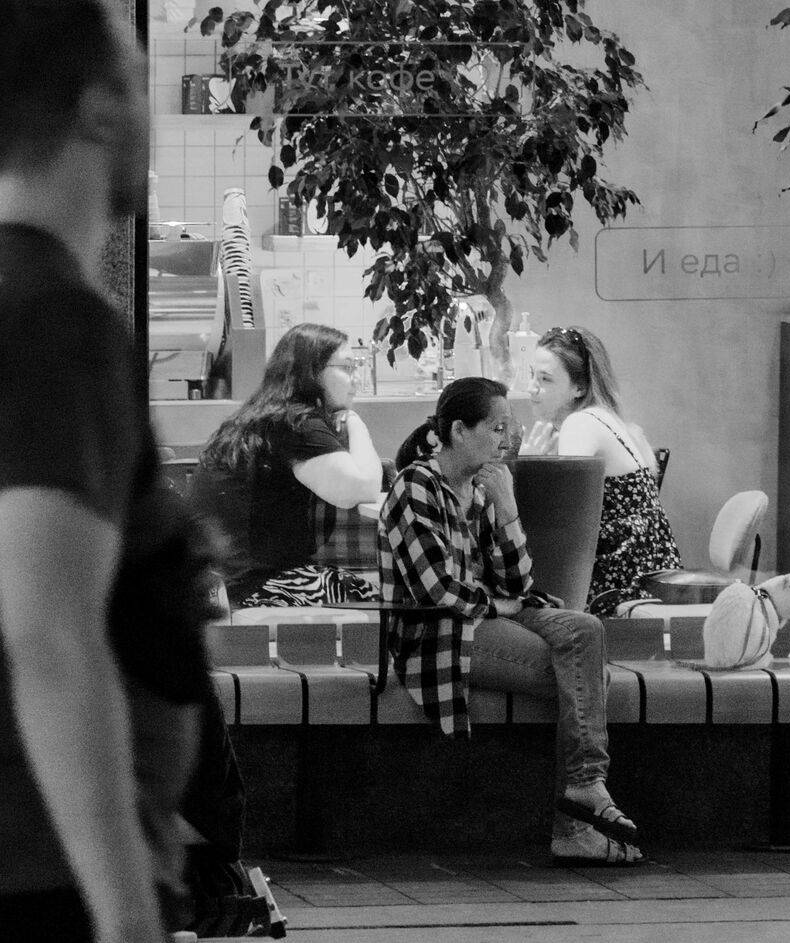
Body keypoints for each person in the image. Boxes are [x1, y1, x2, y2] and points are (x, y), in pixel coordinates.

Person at [0, 1, 217, 938]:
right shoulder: (54, 321)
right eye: (137, 80)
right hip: (46, 873)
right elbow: (50, 634)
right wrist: (128, 916)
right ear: (97, 107)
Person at [384, 377, 643, 865]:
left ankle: (585, 789)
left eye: (510, 428)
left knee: (585, 630)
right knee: (589, 678)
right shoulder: (416, 485)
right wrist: (499, 605)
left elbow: (517, 582)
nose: (507, 440)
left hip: (482, 618)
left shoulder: (482, 489)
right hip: (438, 635)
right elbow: (440, 592)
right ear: (458, 431)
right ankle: (576, 818)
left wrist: (508, 509)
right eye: (497, 428)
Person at [193, 322, 384, 608]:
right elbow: (363, 488)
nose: (356, 378)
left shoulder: (261, 417)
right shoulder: (297, 423)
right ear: (312, 372)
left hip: (219, 583)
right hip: (260, 587)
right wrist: (355, 421)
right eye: (347, 367)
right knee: (381, 603)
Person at [522, 326, 681, 616]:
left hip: (623, 583)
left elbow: (560, 517)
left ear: (579, 388)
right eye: (531, 375)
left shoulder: (580, 423)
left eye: (545, 379)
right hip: (650, 570)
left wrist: (526, 465)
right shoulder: (603, 416)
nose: (531, 387)